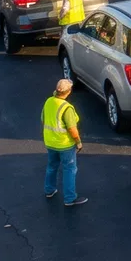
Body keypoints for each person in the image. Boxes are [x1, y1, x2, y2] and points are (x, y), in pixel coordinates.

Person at [41, 78, 87, 207]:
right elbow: (72, 129)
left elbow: (43, 120)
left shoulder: (48, 101)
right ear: (69, 91)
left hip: (50, 143)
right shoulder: (66, 108)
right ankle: (70, 198)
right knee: (69, 170)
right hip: (65, 145)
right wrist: (78, 142)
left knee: (52, 166)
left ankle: (49, 190)